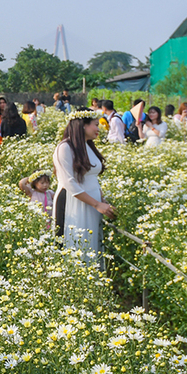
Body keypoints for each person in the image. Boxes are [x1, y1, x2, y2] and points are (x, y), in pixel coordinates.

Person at [53, 112, 114, 267]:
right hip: (72, 203)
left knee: (92, 243)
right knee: (74, 243)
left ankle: (93, 283)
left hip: (93, 204)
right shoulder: (65, 147)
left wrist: (101, 201)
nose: (98, 128)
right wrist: (97, 204)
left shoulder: (88, 146)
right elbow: (70, 183)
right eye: (95, 124)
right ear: (83, 125)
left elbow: (93, 179)